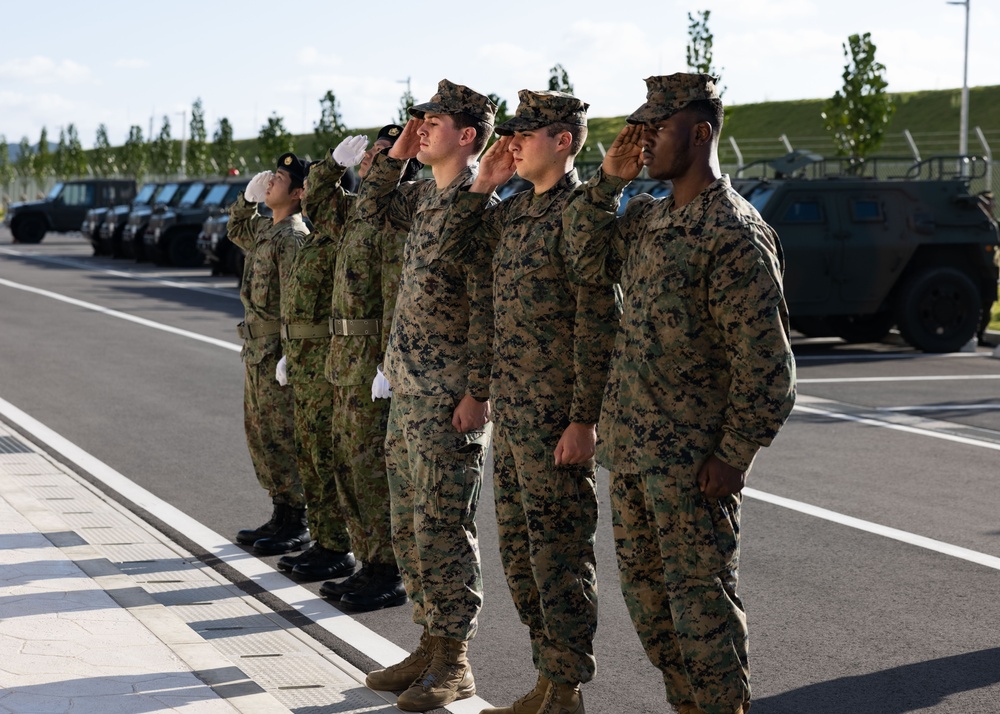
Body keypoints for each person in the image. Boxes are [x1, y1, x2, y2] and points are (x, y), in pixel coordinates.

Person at [562, 73, 797, 714]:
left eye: (655, 130)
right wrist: (607, 182)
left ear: (699, 134)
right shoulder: (647, 218)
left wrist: (736, 453)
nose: (642, 143)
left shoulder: (733, 233)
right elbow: (581, 259)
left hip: (694, 467)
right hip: (635, 456)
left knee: (704, 616)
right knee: (653, 613)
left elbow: (767, 365)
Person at [438, 90, 620, 714]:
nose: (511, 143)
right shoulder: (513, 213)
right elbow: (451, 254)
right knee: (522, 559)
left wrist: (584, 419)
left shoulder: (583, 215)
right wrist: (482, 184)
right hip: (513, 416)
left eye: (526, 134)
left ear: (564, 141)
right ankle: (546, 677)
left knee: (561, 558)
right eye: (508, 134)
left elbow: (599, 322)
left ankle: (566, 689)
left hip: (555, 421)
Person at [353, 79, 496, 712]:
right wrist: (396, 157)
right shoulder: (425, 200)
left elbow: (491, 306)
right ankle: (429, 643)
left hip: (449, 397)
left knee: (443, 528)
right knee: (410, 527)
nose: (421, 128)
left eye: (432, 121)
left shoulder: (480, 207)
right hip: (409, 390)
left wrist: (479, 391)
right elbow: (368, 212)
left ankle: (456, 660)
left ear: (466, 135)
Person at [296, 124, 417, 609]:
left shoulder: (399, 211)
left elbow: (397, 291)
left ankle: (388, 570)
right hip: (343, 360)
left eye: (382, 155)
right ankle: (367, 559)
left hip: (373, 361)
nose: (370, 161)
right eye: (368, 156)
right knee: (348, 464)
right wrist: (332, 165)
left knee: (372, 470)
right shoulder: (355, 211)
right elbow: (315, 204)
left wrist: (390, 358)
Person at [269, 157, 356, 581]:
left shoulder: (336, 242)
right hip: (304, 360)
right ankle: (323, 541)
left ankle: (337, 545)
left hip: (325, 364)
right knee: (310, 456)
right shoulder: (316, 242)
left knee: (327, 458)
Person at [228, 153, 312, 555]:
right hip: (256, 351)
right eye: (272, 176)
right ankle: (280, 512)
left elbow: (297, 303)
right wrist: (246, 200)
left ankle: (297, 519)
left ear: (298, 193)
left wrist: (290, 356)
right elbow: (235, 229)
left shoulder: (293, 237)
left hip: (276, 353)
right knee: (261, 436)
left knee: (283, 437)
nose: (271, 183)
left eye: (280, 179)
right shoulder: (267, 230)